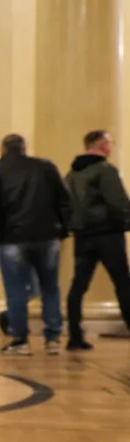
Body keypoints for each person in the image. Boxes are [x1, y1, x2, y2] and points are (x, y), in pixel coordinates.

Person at [0, 133, 72, 355]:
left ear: (2, 150)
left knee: (16, 291)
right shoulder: (46, 168)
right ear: (24, 148)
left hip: (12, 239)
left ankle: (20, 340)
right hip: (47, 236)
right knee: (51, 287)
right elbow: (65, 200)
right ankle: (53, 339)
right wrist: (62, 229)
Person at [65, 129, 130, 350]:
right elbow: (118, 202)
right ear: (102, 145)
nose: (111, 147)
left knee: (79, 286)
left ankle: (75, 335)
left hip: (82, 237)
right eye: (110, 142)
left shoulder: (72, 174)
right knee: (123, 284)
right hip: (108, 235)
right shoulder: (105, 170)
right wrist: (126, 223)